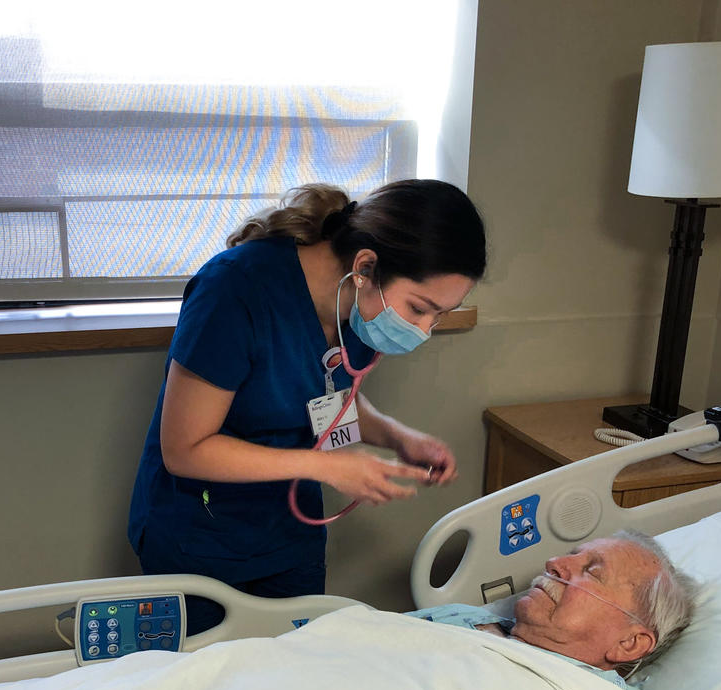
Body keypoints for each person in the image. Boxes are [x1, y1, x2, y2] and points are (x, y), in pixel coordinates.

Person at [129, 180, 487, 633]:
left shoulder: (355, 307)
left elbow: (327, 398)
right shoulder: (235, 290)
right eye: (420, 308)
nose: (424, 329)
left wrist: (396, 437)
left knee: (292, 680)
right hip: (201, 534)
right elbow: (185, 449)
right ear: (365, 266)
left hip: (288, 534)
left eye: (440, 315)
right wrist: (327, 468)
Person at [406, 529, 700, 690]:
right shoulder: (462, 616)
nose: (554, 562)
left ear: (629, 643)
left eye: (592, 572)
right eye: (570, 555)